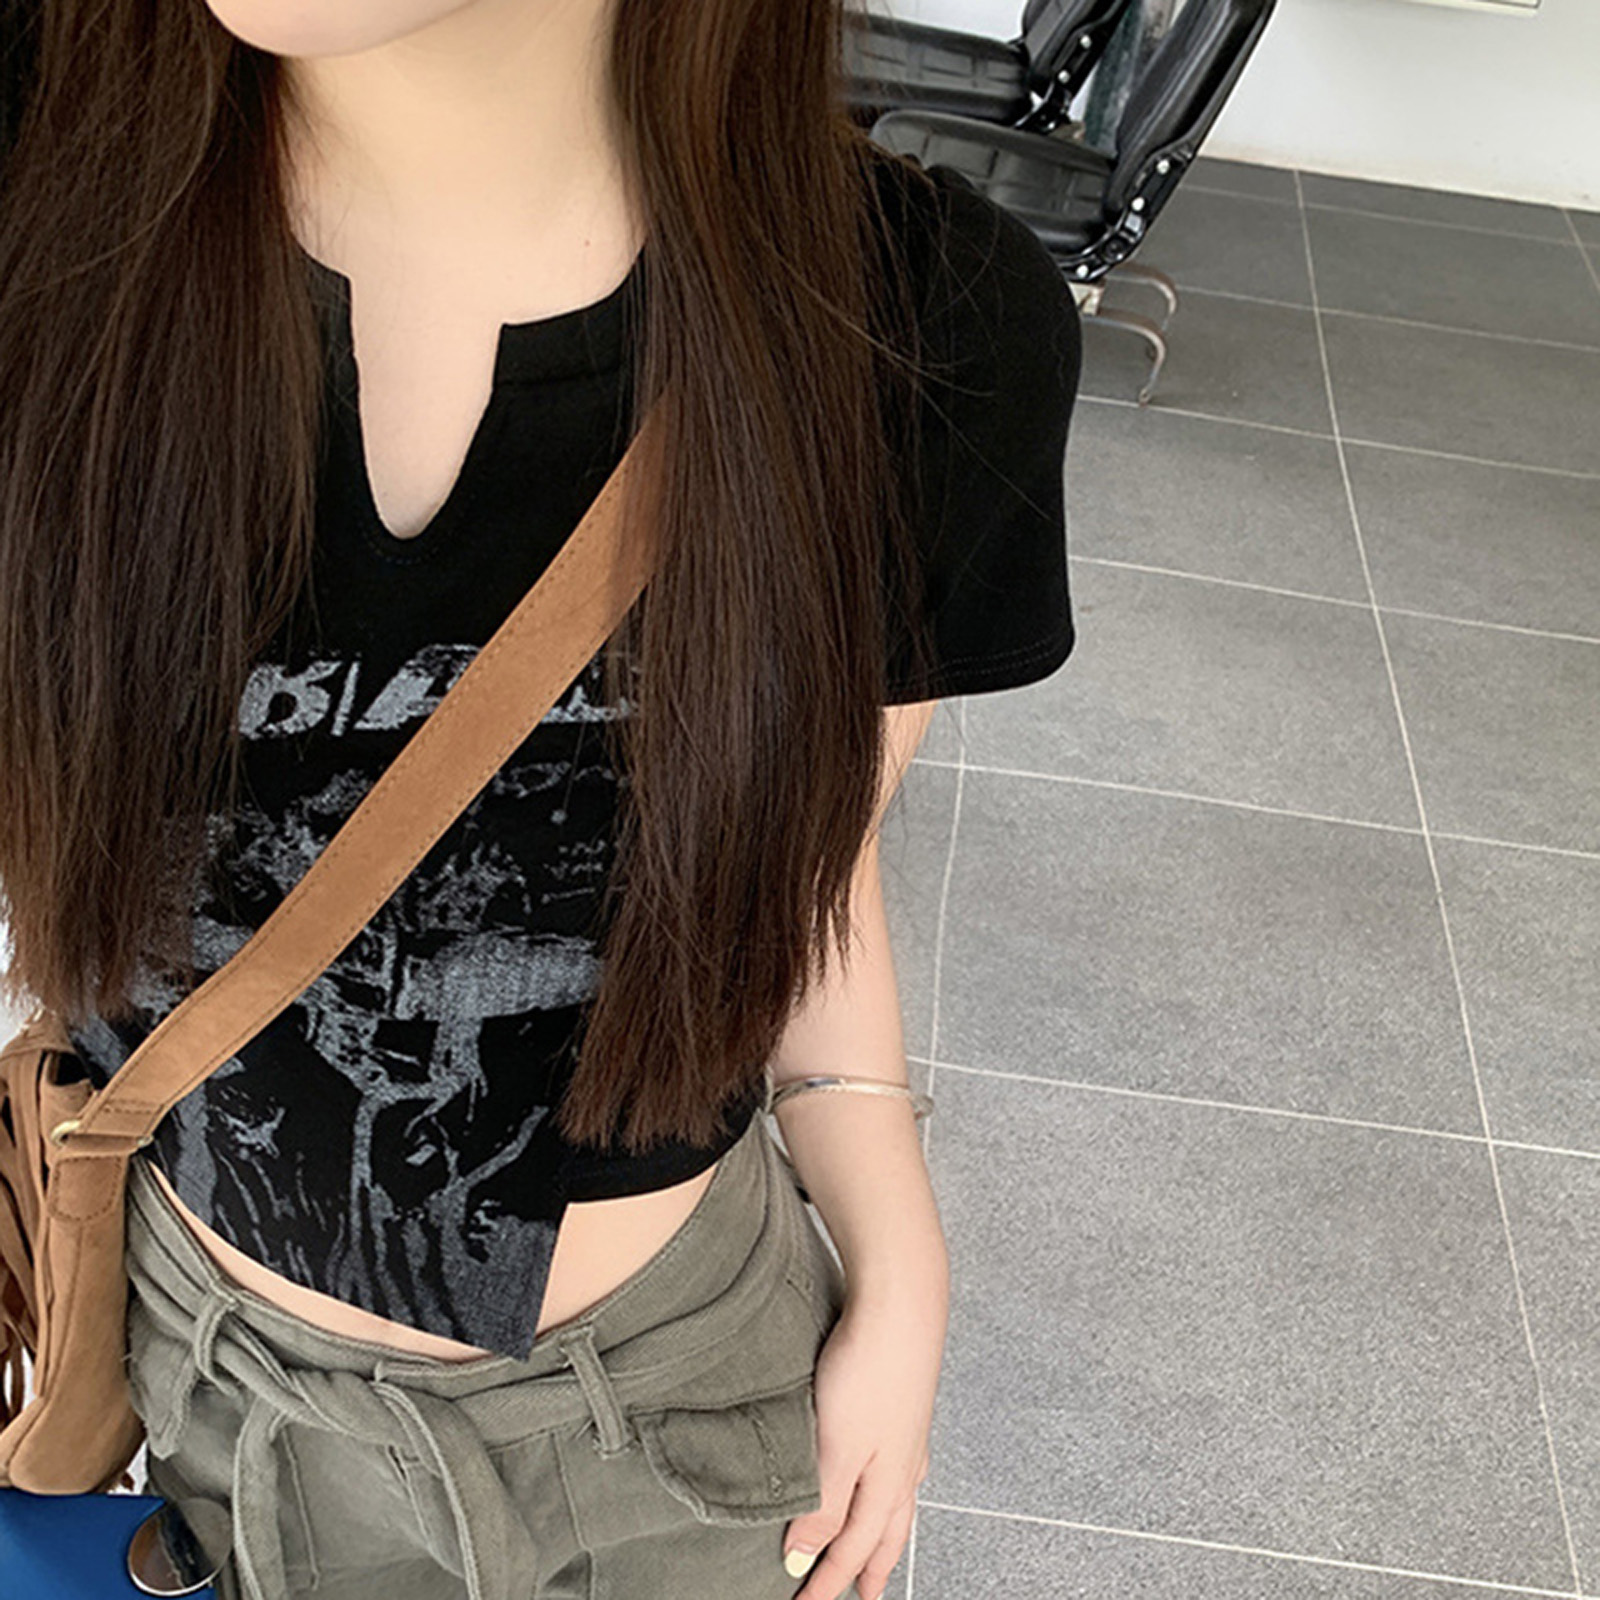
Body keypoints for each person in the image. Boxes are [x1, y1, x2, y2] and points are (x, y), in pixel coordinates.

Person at [0, 0, 1082, 1595]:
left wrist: (900, 1256)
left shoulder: (921, 320)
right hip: (197, 1387)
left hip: (664, 1428)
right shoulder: (49, 186)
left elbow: (799, 866)